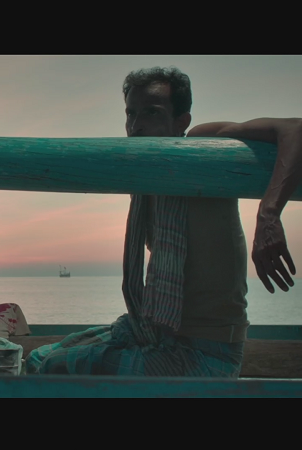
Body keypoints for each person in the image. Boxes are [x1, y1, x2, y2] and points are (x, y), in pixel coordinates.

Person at [26, 66, 300, 377]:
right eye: (131, 113)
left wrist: (269, 216)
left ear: (181, 121)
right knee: (36, 358)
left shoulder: (201, 145)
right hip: (155, 333)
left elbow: (294, 129)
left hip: (205, 354)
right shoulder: (146, 176)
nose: (136, 125)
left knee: (54, 367)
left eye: (152, 112)